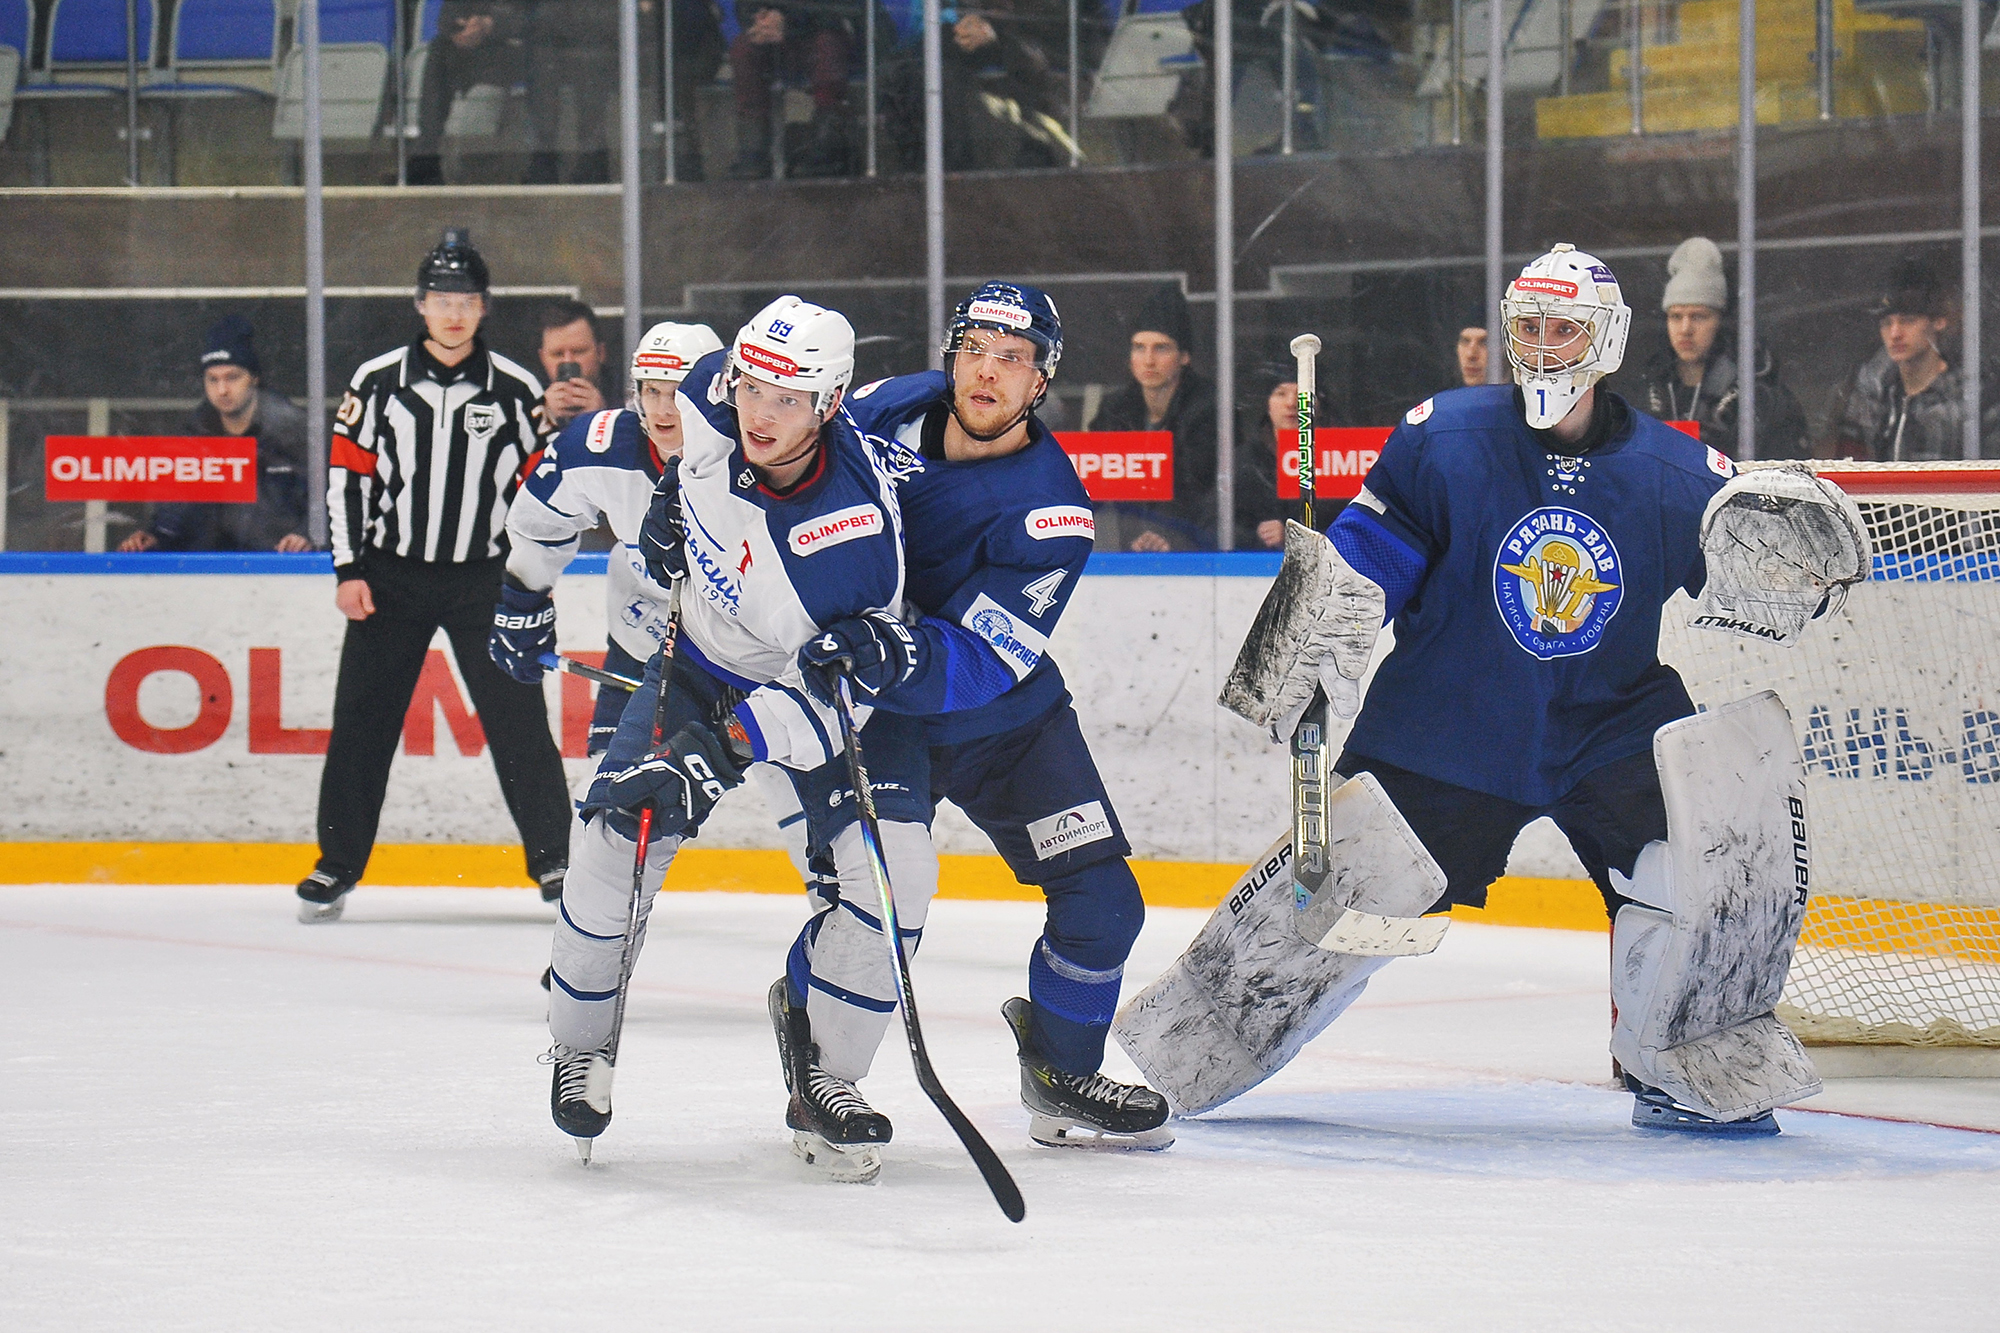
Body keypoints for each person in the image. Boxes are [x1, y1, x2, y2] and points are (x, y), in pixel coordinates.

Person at [1119, 245, 1851, 1137]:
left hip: (1609, 725)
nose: (1544, 347)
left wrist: (1797, 550)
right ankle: (1192, 1043)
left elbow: (1761, 566)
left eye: (1564, 329)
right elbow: (1370, 554)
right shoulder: (1445, 435)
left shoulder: (1673, 470)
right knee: (1340, 889)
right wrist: (1309, 627)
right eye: (1529, 327)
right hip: (1449, 723)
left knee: (1706, 862)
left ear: (1608, 340)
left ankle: (1687, 1055)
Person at [544, 297, 930, 1179]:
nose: (758, 412)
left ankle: (828, 1077)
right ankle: (579, 1044)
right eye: (752, 386)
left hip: (803, 690)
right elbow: (691, 456)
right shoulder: (715, 393)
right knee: (612, 835)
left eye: (786, 400)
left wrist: (722, 748)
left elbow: (836, 702)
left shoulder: (852, 544)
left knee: (892, 877)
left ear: (830, 404)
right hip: (701, 658)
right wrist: (670, 510)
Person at [799, 281, 1173, 1153]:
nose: (987, 371)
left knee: (1105, 903)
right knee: (875, 902)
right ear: (952, 352)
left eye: (1014, 358)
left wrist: (897, 652)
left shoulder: (1052, 507)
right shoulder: (885, 410)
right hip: (878, 716)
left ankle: (1062, 1070)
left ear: (1042, 382)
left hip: (1007, 718)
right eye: (975, 348)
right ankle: (820, 1071)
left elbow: (988, 654)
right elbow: (780, 456)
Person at [297, 230, 572, 924]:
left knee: (517, 719)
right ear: (421, 305)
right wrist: (349, 567)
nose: (454, 312)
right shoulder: (376, 382)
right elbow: (347, 479)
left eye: (467, 300)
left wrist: (528, 578)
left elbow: (540, 489)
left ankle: (556, 859)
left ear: (483, 308)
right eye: (442, 299)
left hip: (483, 578)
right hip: (390, 577)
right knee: (362, 720)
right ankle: (336, 863)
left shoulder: (515, 390)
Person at [492, 320, 811, 903]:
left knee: (811, 814)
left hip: (765, 664)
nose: (665, 410)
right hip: (649, 654)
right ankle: (589, 952)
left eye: (680, 391)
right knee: (608, 803)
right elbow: (540, 528)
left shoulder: (771, 452)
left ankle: (837, 949)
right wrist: (523, 599)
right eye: (651, 390)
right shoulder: (601, 446)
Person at [117, 315, 312, 554]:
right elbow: (174, 513)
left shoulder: (295, 435)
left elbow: (329, 500)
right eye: (213, 379)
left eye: (232, 377)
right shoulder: (192, 438)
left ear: (254, 379)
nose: (222, 390)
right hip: (208, 575)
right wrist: (156, 537)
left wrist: (306, 534)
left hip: (282, 570)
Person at [1634, 237, 1808, 460]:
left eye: (1699, 316)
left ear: (1722, 322)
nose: (1685, 329)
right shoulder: (1644, 389)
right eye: (1676, 317)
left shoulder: (1760, 397)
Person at [1825, 255, 1996, 461]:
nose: (1895, 333)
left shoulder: (1972, 398)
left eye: (1908, 321)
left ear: (1939, 321)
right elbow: (1847, 471)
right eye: (1886, 323)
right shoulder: (1870, 396)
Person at [1088, 283, 1219, 551]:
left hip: (1195, 550)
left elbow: (1203, 489)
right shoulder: (1115, 409)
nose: (1148, 360)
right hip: (1130, 548)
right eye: (1139, 347)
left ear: (1184, 357)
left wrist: (1167, 534)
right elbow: (1095, 481)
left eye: (1161, 348)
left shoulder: (1210, 407)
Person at [725, 0, 857, 179]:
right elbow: (744, 6)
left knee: (827, 46)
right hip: (779, 41)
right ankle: (754, 147)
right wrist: (760, 19)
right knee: (743, 49)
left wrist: (789, 21)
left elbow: (842, 10)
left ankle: (828, 140)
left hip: (830, 32)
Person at [406, 1, 526, 187]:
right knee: (439, 49)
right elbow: (446, 19)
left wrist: (490, 24)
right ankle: (428, 148)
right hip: (471, 50)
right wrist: (461, 32)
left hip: (516, 50)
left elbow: (538, 18)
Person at [522, 0, 620, 183]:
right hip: (545, 21)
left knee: (591, 75)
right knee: (542, 73)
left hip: (596, 18)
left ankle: (592, 159)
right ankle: (543, 157)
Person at [535, 298, 610, 432]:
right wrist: (544, 419)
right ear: (542, 358)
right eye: (557, 354)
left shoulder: (629, 403)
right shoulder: (524, 403)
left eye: (578, 351)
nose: (568, 361)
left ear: (601, 353)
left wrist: (605, 418)